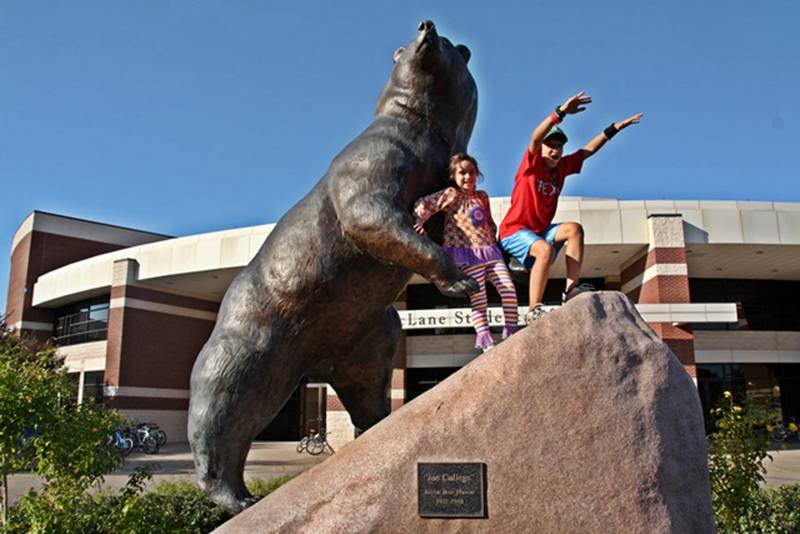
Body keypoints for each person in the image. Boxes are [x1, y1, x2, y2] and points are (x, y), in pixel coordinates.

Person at [498, 91, 643, 323]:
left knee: (574, 229)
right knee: (544, 250)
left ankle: (571, 290)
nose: (555, 151)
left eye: (559, 147)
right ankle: (533, 309)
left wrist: (614, 128)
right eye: (551, 146)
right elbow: (535, 138)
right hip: (513, 231)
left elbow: (588, 151)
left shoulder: (562, 168)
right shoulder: (532, 164)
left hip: (539, 231)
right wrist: (560, 113)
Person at [413, 153, 519, 352]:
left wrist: (494, 240)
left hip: (490, 252)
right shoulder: (452, 194)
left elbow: (488, 222)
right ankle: (486, 342)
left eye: (471, 172)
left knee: (508, 289)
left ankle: (511, 332)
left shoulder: (482, 197)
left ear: (477, 174)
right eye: (462, 173)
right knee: (479, 298)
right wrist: (420, 220)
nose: (468, 177)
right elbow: (427, 203)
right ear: (454, 175)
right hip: (467, 253)